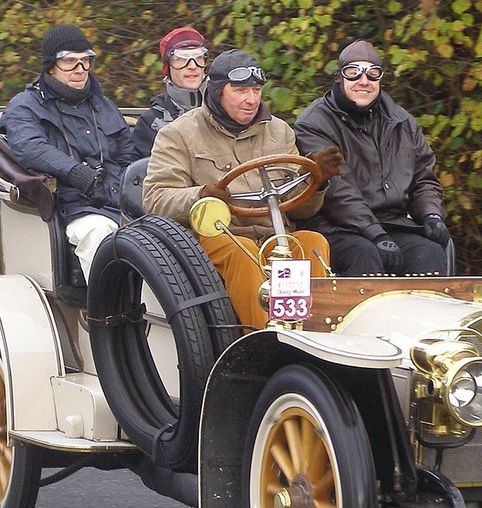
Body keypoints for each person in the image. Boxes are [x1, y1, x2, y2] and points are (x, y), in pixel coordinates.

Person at [143, 49, 344, 330]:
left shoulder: (279, 131)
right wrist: (201, 195)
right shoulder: (178, 134)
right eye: (240, 90)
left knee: (312, 243)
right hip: (216, 240)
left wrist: (315, 180)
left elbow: (300, 208)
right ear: (216, 92)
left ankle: (316, 334)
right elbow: (155, 198)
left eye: (256, 90)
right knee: (242, 251)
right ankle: (265, 339)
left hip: (275, 238)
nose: (251, 99)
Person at [294, 39, 451, 276]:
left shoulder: (402, 122)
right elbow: (337, 192)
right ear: (339, 77)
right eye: (353, 73)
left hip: (394, 223)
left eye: (372, 74)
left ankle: (422, 312)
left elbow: (424, 179)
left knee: (428, 251)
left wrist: (431, 214)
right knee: (364, 254)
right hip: (336, 227)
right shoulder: (314, 123)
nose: (363, 81)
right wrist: (374, 233)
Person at [0, 24, 137, 281]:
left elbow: (128, 153)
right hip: (71, 209)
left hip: (120, 202)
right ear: (51, 66)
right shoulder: (24, 106)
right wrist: (76, 172)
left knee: (172, 228)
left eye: (86, 61)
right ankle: (107, 316)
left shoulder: (103, 104)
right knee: (100, 233)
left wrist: (120, 187)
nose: (80, 70)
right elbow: (31, 148)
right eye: (70, 62)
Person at [132, 27, 209, 159]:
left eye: (198, 57)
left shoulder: (226, 110)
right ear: (168, 67)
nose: (192, 66)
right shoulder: (150, 122)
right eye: (181, 59)